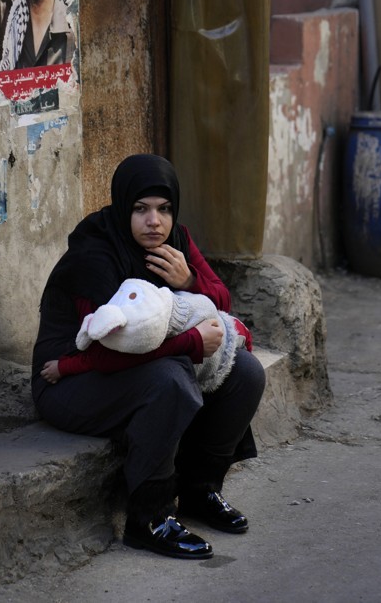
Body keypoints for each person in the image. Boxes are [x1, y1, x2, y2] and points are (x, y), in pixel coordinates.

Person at [32, 154, 266, 559]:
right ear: (124, 208)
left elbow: (221, 301)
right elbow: (106, 352)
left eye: (164, 209)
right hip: (69, 381)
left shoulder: (174, 242)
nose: (153, 221)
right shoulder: (94, 257)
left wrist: (191, 281)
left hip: (136, 371)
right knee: (171, 379)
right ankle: (149, 518)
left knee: (246, 372)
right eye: (140, 210)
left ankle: (200, 491)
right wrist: (191, 343)